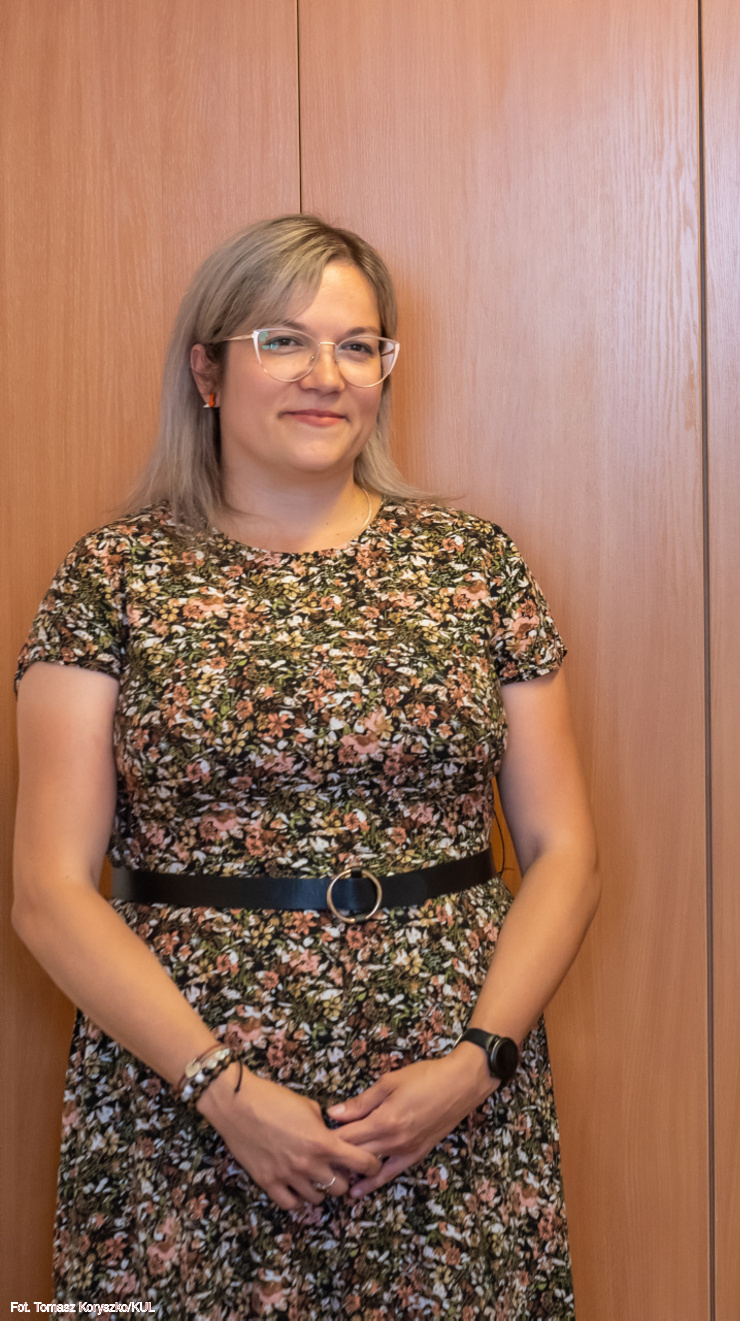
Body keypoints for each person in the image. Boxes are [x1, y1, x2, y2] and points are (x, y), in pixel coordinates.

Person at [11, 215, 599, 1314]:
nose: (326, 375)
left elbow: (566, 850)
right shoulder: (112, 577)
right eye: (283, 341)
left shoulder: (475, 565)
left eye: (357, 345)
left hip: (446, 1107)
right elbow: (47, 890)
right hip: (182, 1106)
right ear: (209, 372)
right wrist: (222, 1092)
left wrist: (477, 1063)